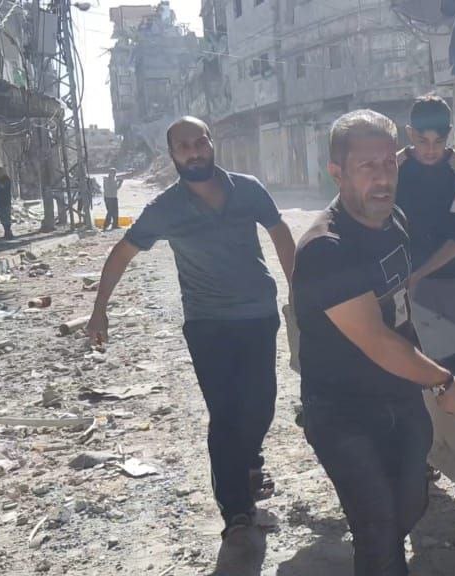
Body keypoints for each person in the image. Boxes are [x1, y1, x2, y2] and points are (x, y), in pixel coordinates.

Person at [84, 116, 296, 573]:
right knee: (225, 414)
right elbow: (122, 252)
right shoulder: (165, 208)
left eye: (200, 142)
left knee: (261, 405)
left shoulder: (248, 189)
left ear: (211, 143)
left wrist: (300, 293)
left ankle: (249, 463)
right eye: (184, 146)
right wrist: (99, 308)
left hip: (257, 315)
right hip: (207, 324)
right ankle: (236, 513)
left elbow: (280, 233)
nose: (195, 151)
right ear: (173, 154)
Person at [292, 109, 455, 576]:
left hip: (400, 399)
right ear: (337, 173)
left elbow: (400, 310)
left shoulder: (395, 221)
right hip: (343, 412)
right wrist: (442, 380)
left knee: (411, 505)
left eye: (389, 163)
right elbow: (375, 339)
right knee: (378, 531)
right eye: (367, 166)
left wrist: (427, 369)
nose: (383, 177)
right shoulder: (326, 249)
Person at [396, 94, 455, 330]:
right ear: (410, 133)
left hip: (453, 281)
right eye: (423, 141)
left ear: (449, 132)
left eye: (439, 141)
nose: (431, 150)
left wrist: (417, 276)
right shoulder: (393, 167)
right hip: (401, 283)